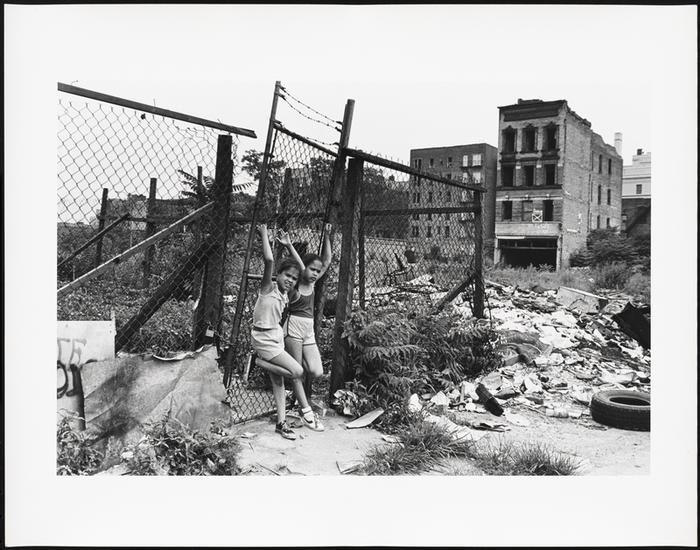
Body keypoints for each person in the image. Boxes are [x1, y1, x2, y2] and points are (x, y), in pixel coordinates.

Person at [250, 224, 325, 440]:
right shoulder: (268, 288)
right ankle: (260, 363)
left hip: (276, 337)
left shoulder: (286, 294)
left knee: (279, 382)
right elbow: (269, 260)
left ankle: (281, 423)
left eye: (293, 278)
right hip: (263, 338)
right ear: (278, 275)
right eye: (286, 276)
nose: (290, 280)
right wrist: (265, 234)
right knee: (297, 371)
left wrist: (290, 245)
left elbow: (301, 270)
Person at [284, 223, 333, 411]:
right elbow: (300, 266)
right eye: (312, 269)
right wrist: (289, 246)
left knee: (316, 371)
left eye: (317, 271)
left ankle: (299, 401)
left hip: (308, 330)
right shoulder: (295, 285)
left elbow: (327, 261)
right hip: (293, 327)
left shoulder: (313, 284)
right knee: (297, 373)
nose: (315, 273)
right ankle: (303, 408)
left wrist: (327, 235)